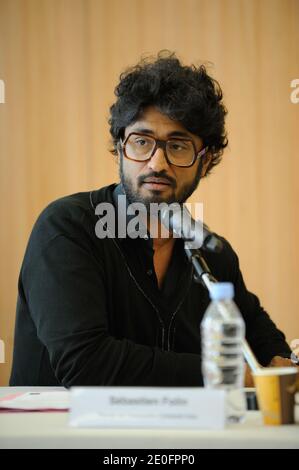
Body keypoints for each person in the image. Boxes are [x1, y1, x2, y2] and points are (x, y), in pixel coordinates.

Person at [10, 51, 294, 387]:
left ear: (205, 161)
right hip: (64, 438)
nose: (157, 163)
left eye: (178, 146)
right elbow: (85, 364)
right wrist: (223, 375)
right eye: (142, 142)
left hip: (178, 440)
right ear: (120, 148)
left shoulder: (213, 253)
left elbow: (265, 349)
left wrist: (282, 364)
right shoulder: (67, 228)